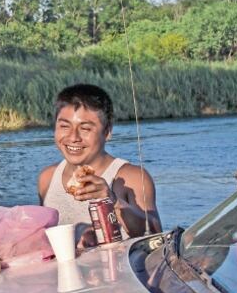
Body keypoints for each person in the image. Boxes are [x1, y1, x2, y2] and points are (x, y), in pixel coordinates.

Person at [37, 84, 161, 242]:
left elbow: (156, 236)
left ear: (107, 131)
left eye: (85, 129)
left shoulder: (132, 177)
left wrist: (112, 201)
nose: (73, 137)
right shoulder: (47, 178)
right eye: (64, 126)